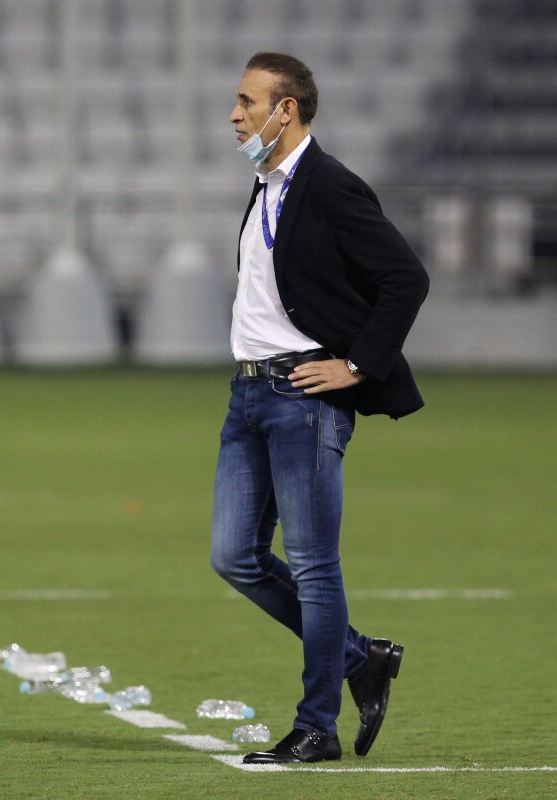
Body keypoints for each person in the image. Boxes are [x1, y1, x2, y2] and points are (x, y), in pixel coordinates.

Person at [211, 53, 429, 764]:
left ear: (287, 111)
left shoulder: (330, 184)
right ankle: (362, 658)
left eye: (247, 102)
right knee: (234, 557)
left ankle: (317, 727)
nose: (235, 115)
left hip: (302, 399)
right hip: (249, 395)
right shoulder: (266, 185)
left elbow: (405, 278)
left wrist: (358, 365)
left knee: (312, 565)